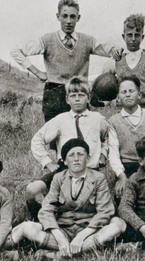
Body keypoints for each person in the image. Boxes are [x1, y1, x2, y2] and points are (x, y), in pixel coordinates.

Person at [10, 0, 122, 128]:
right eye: (65, 16)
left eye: (72, 16)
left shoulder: (87, 40)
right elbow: (16, 51)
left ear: (78, 18)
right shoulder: (47, 40)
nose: (68, 21)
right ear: (58, 16)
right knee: (55, 138)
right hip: (54, 95)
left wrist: (116, 50)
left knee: (81, 138)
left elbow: (110, 49)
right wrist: (37, 72)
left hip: (79, 93)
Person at [8, 139, 126, 260]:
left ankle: (56, 254)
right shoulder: (59, 178)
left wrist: (81, 236)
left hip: (89, 232)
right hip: (63, 230)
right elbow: (47, 209)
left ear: (88, 158)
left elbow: (104, 211)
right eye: (71, 155)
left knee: (116, 226)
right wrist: (60, 237)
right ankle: (84, 250)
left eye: (80, 154)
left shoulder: (98, 178)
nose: (76, 159)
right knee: (27, 228)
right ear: (65, 161)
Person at [27, 76, 109, 221]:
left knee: (93, 206)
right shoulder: (60, 120)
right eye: (73, 96)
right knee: (32, 190)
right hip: (64, 171)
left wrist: (103, 153)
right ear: (67, 99)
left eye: (81, 95)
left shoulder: (98, 119)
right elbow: (37, 140)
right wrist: (48, 163)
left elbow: (107, 139)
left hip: (90, 171)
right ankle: (40, 221)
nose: (77, 99)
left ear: (89, 98)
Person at [108, 75, 145, 199]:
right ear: (118, 98)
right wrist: (121, 176)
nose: (128, 95)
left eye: (131, 91)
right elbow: (113, 153)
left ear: (139, 95)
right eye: (124, 92)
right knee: (124, 198)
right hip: (126, 168)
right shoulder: (113, 122)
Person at [102, 14, 145, 113]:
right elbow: (104, 80)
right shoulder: (117, 59)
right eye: (130, 35)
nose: (133, 39)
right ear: (123, 36)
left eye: (137, 35)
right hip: (124, 113)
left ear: (142, 37)